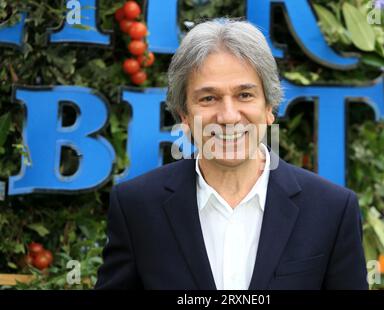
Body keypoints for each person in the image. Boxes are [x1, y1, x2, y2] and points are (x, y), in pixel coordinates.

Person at [95, 18, 368, 290]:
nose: (227, 116)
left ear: (269, 107)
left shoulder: (332, 210)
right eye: (208, 98)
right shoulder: (137, 207)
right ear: (185, 116)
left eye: (245, 95)